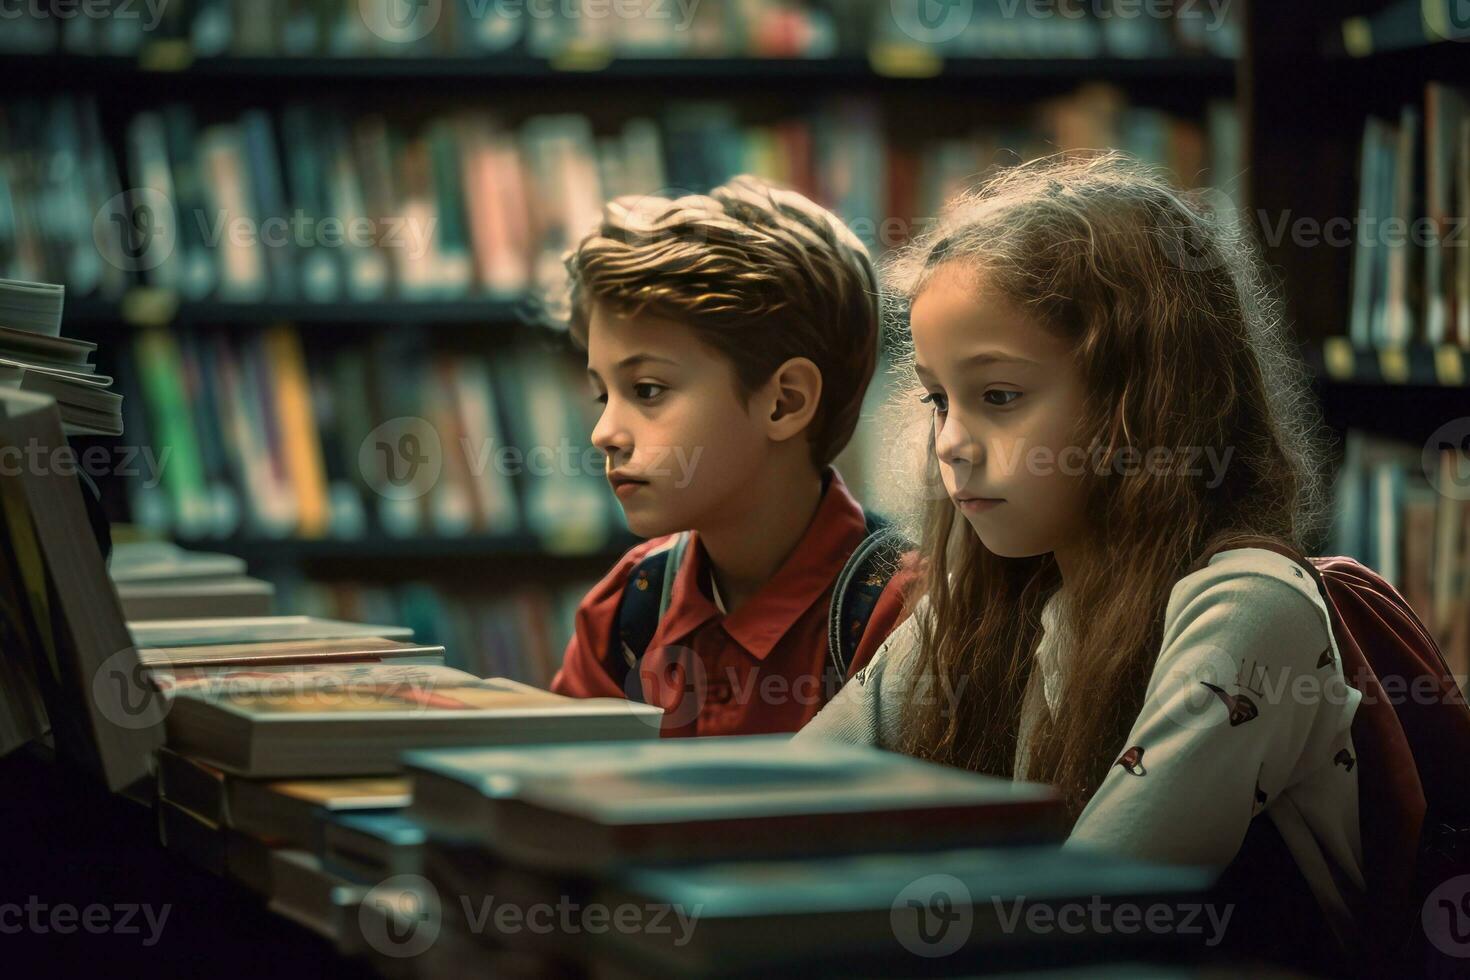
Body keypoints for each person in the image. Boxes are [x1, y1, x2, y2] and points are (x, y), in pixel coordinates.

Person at [798, 153, 1363, 967]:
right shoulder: (995, 594)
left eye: (998, 397)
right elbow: (791, 798)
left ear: (1141, 399)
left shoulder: (1249, 607)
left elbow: (1080, 916)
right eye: (937, 398)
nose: (950, 443)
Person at [551, 175, 912, 736]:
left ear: (784, 402)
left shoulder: (903, 615)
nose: (604, 432)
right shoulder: (626, 609)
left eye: (647, 390)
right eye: (603, 394)